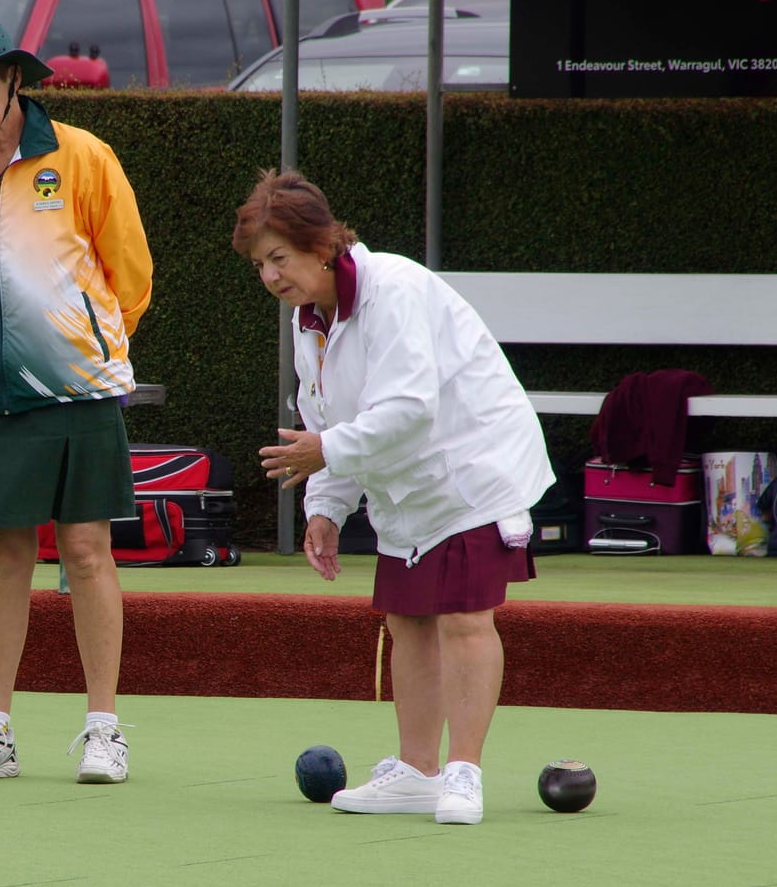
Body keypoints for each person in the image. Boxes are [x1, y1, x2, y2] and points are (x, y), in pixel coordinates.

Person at [235, 171, 551, 825]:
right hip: (404, 487)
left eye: (279, 258)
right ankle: (416, 772)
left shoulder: (395, 291)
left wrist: (325, 456)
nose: (270, 276)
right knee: (408, 620)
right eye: (261, 264)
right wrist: (326, 505)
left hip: (471, 467)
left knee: (465, 619)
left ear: (321, 246)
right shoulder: (308, 323)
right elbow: (325, 413)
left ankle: (463, 775)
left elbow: (408, 408)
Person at [0, 21, 153, 785]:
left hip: (78, 387)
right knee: (2, 557)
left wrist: (82, 346)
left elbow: (130, 272)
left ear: (17, 79)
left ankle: (105, 730)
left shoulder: (83, 155)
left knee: (85, 552)